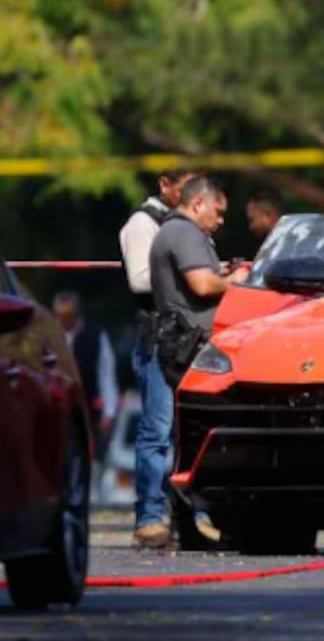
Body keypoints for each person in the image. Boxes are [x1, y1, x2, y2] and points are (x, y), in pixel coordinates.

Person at [138, 175, 250, 548]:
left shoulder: (176, 232)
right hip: (187, 346)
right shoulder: (184, 232)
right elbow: (202, 285)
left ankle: (187, 524)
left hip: (179, 342)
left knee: (184, 437)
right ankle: (178, 518)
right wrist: (236, 279)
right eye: (217, 213)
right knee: (191, 435)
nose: (220, 221)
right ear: (198, 203)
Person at [119, 168, 196, 549]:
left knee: (185, 432)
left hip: (186, 339)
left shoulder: (181, 223)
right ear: (165, 184)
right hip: (158, 339)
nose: (191, 194)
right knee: (156, 431)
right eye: (185, 187)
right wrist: (191, 274)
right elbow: (138, 279)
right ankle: (150, 517)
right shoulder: (142, 223)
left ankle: (189, 517)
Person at [52, 291, 119, 477]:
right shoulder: (49, 339)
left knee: (90, 458)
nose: (64, 321)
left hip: (88, 409)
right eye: (60, 316)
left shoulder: (96, 337)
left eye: (68, 316)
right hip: (55, 408)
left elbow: (106, 376)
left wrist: (109, 412)